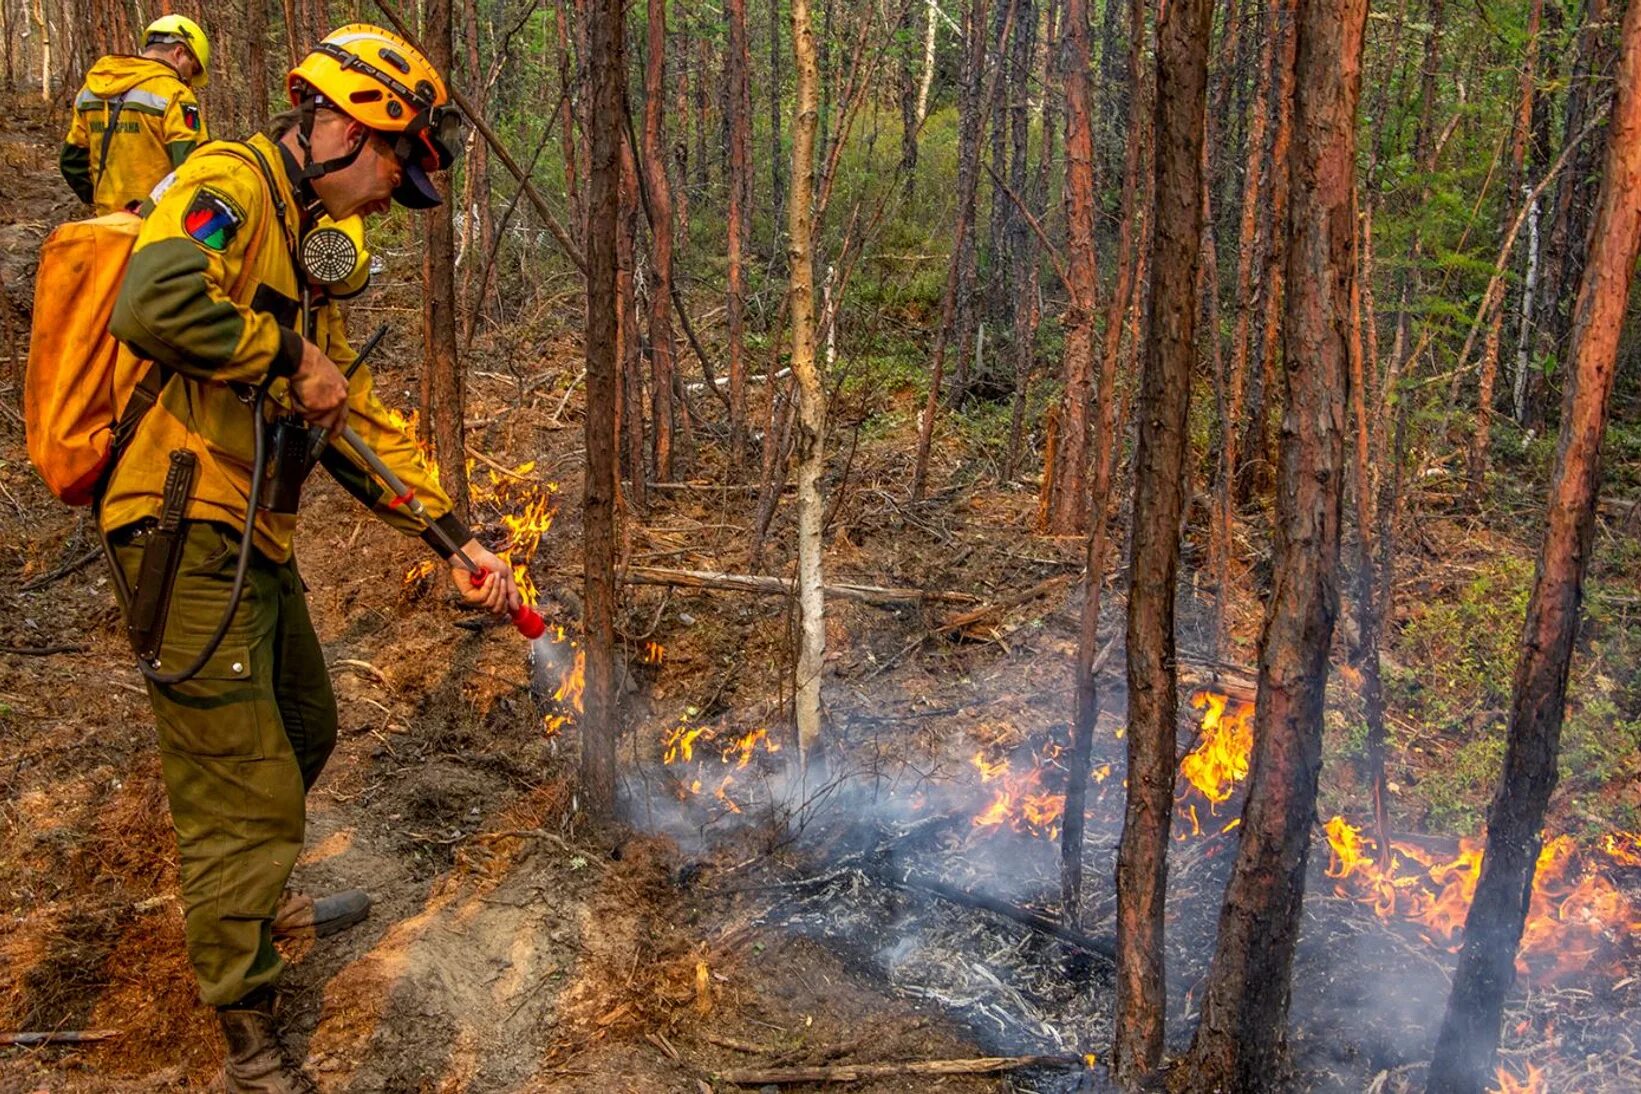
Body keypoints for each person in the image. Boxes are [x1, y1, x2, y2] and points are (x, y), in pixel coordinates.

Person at [100, 24, 518, 1092]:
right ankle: (248, 1029)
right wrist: (288, 354)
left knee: (305, 726)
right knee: (246, 790)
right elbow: (150, 301)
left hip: (250, 531)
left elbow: (351, 417)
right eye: (394, 165)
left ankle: (254, 898)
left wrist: (452, 534)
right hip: (182, 521)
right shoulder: (229, 181)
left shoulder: (307, 236)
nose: (392, 194)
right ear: (343, 122)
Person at [61, 15, 212, 215]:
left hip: (107, 223)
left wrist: (98, 200)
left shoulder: (91, 88)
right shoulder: (175, 93)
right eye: (191, 70)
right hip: (156, 225)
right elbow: (193, 167)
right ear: (179, 52)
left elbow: (71, 161)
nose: (188, 79)